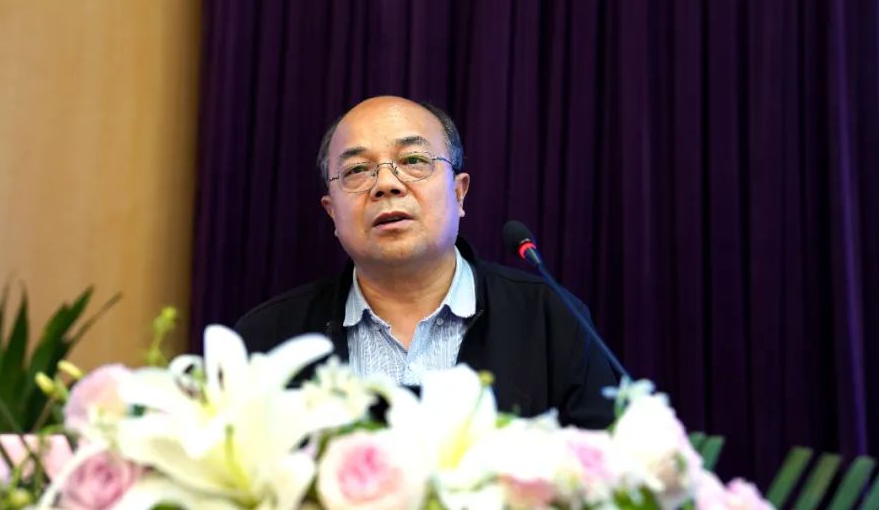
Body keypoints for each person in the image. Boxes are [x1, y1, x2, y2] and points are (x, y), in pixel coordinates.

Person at [234, 95, 617, 428]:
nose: (386, 184)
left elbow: (604, 474)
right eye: (357, 170)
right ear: (332, 212)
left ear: (459, 193)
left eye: (414, 160)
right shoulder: (267, 339)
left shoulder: (554, 321)